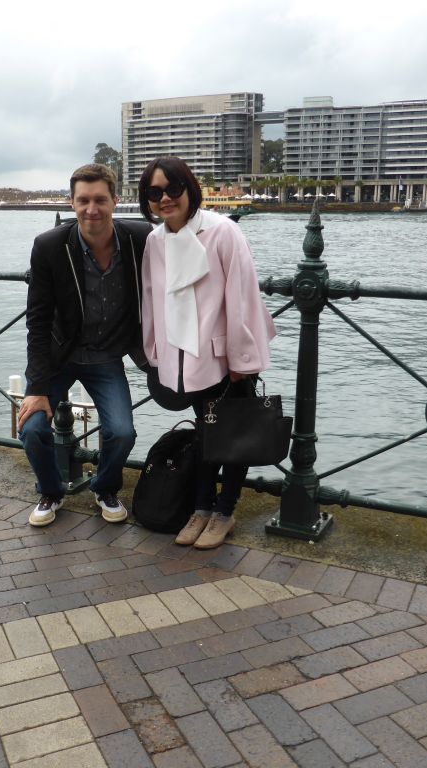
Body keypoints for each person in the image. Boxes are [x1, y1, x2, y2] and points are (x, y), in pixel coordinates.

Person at [138, 156, 276, 549]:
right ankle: (201, 507)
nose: (165, 198)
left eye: (173, 189)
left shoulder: (223, 231)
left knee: (232, 433)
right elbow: (152, 299)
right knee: (206, 432)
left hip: (223, 356)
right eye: (154, 192)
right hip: (182, 356)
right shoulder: (155, 240)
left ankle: (224, 511)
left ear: (189, 189)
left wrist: (241, 359)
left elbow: (242, 297)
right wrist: (154, 351)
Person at [19, 163, 152, 527]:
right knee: (31, 428)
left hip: (107, 356)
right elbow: (38, 319)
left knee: (122, 432)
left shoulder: (140, 238)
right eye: (83, 200)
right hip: (60, 355)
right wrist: (38, 387)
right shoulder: (49, 246)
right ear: (72, 202)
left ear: (115, 200)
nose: (91, 209)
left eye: (99, 200)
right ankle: (51, 491)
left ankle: (104, 487)